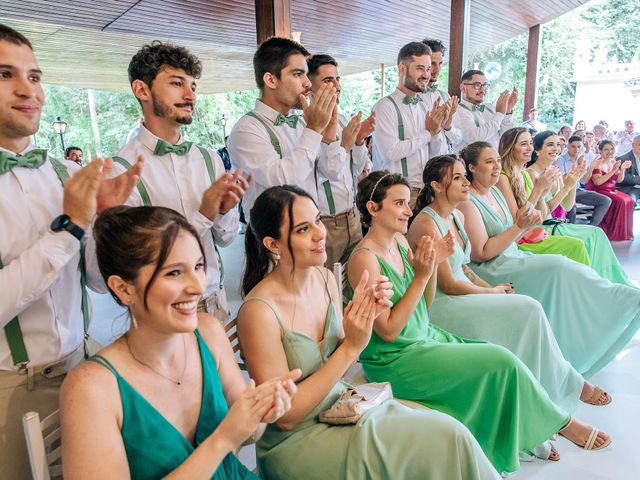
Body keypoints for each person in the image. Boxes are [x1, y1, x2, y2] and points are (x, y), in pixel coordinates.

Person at [346, 171, 611, 473]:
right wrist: (422, 275)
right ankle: (563, 423)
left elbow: (425, 305)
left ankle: (527, 432)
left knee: (497, 356)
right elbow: (389, 331)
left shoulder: (400, 243)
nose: (409, 210)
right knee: (500, 361)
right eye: (399, 203)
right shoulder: (364, 259)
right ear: (373, 208)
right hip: (395, 358)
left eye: (408, 203)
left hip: (425, 336)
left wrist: (431, 268)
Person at [236, 185, 501, 480]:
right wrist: (352, 346)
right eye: (302, 229)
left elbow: (340, 366)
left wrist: (361, 324)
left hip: (342, 407)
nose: (319, 234)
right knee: (438, 442)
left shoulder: (324, 278)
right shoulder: (257, 312)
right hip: (297, 442)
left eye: (318, 221)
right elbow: (286, 417)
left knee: (451, 431)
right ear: (273, 244)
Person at [60, 206, 298, 479]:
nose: (197, 286)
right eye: (174, 273)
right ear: (123, 289)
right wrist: (222, 440)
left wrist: (261, 412)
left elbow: (249, 434)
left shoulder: (208, 332)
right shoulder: (91, 387)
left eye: (198, 266)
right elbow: (228, 438)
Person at [0, 24, 141, 478]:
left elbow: (98, 283)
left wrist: (101, 222)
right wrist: (71, 226)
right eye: (6, 74)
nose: (29, 90)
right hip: (13, 389)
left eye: (35, 76)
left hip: (85, 362)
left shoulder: (63, 172)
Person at [410, 155, 611, 412]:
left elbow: (464, 268)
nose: (465, 183)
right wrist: (490, 291)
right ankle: (565, 386)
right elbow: (448, 284)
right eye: (457, 178)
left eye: (464, 176)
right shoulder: (428, 223)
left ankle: (548, 387)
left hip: (465, 292)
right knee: (528, 309)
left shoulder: (455, 216)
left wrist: (490, 289)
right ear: (437, 186)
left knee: (527, 307)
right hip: (441, 304)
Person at [457, 141, 640, 377]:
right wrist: (526, 215)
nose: (496, 167)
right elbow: (481, 253)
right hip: (493, 268)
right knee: (558, 266)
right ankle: (617, 300)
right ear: (471, 168)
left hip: (514, 254)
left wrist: (553, 192)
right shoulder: (468, 201)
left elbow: (525, 221)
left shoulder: (494, 192)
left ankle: (609, 303)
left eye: (498, 161)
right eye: (489, 162)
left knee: (567, 266)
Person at [106, 41, 247, 323]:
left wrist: (223, 211)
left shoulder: (209, 158)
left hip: (214, 301)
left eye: (193, 86)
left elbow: (227, 238)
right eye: (176, 83)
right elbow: (142, 259)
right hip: (161, 312)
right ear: (142, 90)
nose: (189, 95)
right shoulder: (121, 172)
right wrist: (204, 215)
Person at [228, 37, 336, 222]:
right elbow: (282, 181)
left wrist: (328, 136)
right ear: (270, 80)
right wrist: (314, 129)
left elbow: (330, 172)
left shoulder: (303, 123)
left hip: (311, 226)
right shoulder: (246, 130)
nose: (308, 84)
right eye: (297, 74)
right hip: (270, 239)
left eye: (306, 74)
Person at [518, 131, 631, 285]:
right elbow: (543, 214)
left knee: (597, 233)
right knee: (591, 236)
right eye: (550, 145)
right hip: (541, 227)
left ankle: (608, 281)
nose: (556, 148)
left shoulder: (555, 172)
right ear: (537, 150)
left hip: (557, 223)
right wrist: (566, 187)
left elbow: (567, 205)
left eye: (558, 144)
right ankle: (590, 284)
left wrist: (572, 183)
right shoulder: (530, 174)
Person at [307, 54, 374, 266]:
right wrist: (344, 144)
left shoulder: (343, 119)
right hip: (326, 222)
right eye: (328, 80)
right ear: (309, 87)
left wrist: (360, 140)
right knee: (327, 285)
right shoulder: (306, 126)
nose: (337, 86)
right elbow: (329, 172)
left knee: (356, 282)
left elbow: (354, 169)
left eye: (338, 79)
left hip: (352, 216)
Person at [371, 41, 453, 207]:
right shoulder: (384, 107)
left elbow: (435, 155)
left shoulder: (425, 106)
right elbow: (391, 152)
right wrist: (428, 133)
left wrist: (437, 130)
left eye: (428, 69)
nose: (427, 75)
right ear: (402, 69)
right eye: (420, 68)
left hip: (425, 190)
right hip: (395, 194)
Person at [496, 129, 590, 267]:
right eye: (523, 144)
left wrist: (570, 184)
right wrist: (539, 189)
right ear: (510, 148)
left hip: (537, 229)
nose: (529, 148)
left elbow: (547, 211)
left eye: (530, 143)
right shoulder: (506, 177)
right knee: (578, 245)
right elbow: (519, 220)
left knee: (590, 239)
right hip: (519, 239)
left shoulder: (522, 174)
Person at [554, 134, 612, 226]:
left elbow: (584, 181)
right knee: (571, 206)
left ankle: (591, 227)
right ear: (568, 146)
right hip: (564, 191)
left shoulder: (581, 160)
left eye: (579, 147)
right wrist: (577, 172)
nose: (576, 149)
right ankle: (570, 231)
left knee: (606, 200)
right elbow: (563, 181)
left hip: (578, 191)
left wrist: (591, 168)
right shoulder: (560, 160)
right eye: (573, 146)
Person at [452, 69, 517, 150]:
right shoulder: (457, 111)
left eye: (485, 85)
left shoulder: (490, 108)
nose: (483, 90)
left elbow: (508, 136)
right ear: (463, 88)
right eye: (477, 85)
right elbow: (475, 138)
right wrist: (499, 114)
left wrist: (507, 112)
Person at [585, 139, 635, 240]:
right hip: (599, 190)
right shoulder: (598, 162)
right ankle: (611, 232)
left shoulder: (613, 161)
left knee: (629, 200)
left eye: (611, 149)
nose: (609, 152)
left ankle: (624, 233)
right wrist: (613, 170)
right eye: (606, 149)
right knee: (620, 201)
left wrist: (623, 169)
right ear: (601, 151)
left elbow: (619, 180)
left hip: (611, 190)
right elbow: (598, 182)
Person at [421, 38, 463, 154]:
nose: (437, 69)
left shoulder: (445, 97)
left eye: (440, 63)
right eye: (432, 64)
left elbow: (458, 139)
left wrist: (448, 126)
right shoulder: (411, 98)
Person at [616, 134, 640, 203]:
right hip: (631, 188)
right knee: (631, 200)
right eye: (639, 144)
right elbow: (624, 178)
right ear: (633, 145)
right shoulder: (623, 159)